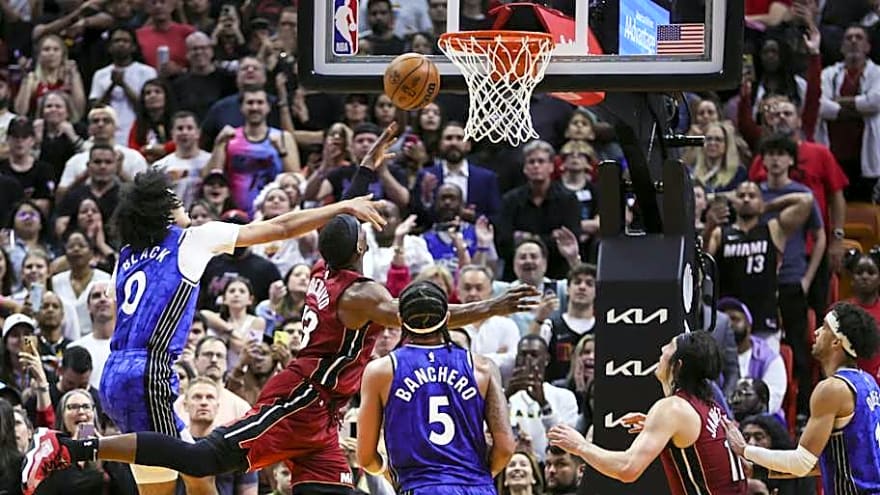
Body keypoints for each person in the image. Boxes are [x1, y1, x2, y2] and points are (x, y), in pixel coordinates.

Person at [24, 124, 539, 495]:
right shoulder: (357, 293)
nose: (184, 204)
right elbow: (424, 317)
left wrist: (360, 175)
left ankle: (76, 447)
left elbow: (337, 229)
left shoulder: (322, 269)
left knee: (175, 481)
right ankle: (73, 446)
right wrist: (497, 303)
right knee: (202, 463)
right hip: (292, 401)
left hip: (306, 412)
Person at [356, 280, 516, 494]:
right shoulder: (482, 367)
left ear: (399, 320)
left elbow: (365, 458)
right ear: (447, 320)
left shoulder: (380, 371)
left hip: (420, 486)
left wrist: (387, 472)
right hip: (477, 486)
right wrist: (480, 478)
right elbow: (505, 448)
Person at [548, 331, 747, 493]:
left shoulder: (672, 408)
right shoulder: (711, 404)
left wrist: (580, 446)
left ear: (678, 366)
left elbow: (627, 469)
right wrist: (664, 430)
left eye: (670, 346)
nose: (662, 349)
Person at [725, 302, 880, 494]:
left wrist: (744, 449)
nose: (815, 332)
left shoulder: (832, 389)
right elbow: (817, 463)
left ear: (836, 342)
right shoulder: (868, 382)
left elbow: (801, 462)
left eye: (824, 327)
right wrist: (758, 469)